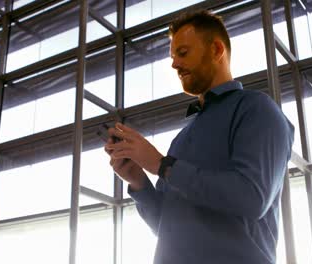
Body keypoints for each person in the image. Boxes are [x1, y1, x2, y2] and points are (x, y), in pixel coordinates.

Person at [104, 10, 294, 264]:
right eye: (172, 56)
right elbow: (166, 227)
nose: (174, 64)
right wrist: (138, 181)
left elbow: (252, 197)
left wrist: (163, 165)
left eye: (182, 53)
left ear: (216, 50)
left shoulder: (257, 109)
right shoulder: (182, 138)